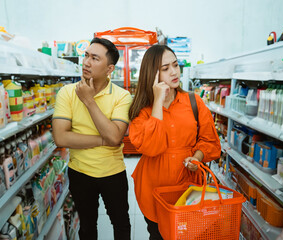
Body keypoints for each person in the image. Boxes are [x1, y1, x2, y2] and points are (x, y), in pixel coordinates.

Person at [128, 45, 221, 239]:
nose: (174, 72)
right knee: (158, 234)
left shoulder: (194, 102)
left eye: (175, 65)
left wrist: (197, 157)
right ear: (151, 75)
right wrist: (157, 103)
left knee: (189, 234)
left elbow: (209, 140)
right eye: (165, 68)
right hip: (154, 190)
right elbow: (152, 148)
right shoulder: (141, 109)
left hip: (188, 186)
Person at [52, 38, 132, 240]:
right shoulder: (66, 93)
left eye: (95, 58)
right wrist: (103, 140)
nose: (86, 62)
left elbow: (115, 135)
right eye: (86, 55)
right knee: (87, 227)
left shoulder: (122, 96)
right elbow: (60, 137)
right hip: (80, 173)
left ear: (109, 69)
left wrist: (88, 100)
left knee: (121, 224)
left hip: (113, 173)